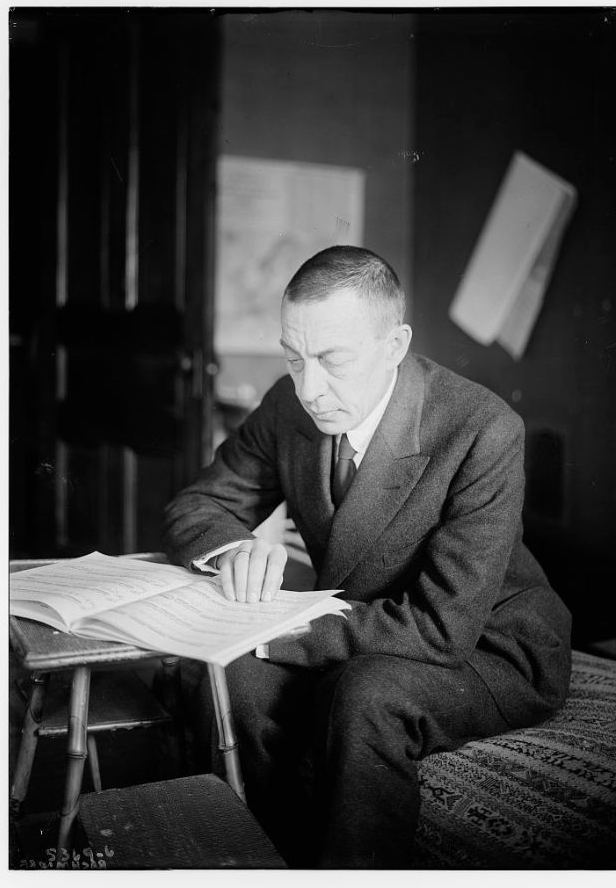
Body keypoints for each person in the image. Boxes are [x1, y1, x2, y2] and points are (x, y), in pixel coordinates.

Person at [163, 246, 572, 867]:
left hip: (490, 644)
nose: (310, 389)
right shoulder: (286, 404)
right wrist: (232, 549)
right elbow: (200, 505)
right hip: (367, 626)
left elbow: (442, 630)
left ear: (395, 344)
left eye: (333, 360)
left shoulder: (482, 428)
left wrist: (274, 628)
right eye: (294, 358)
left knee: (366, 693)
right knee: (235, 678)